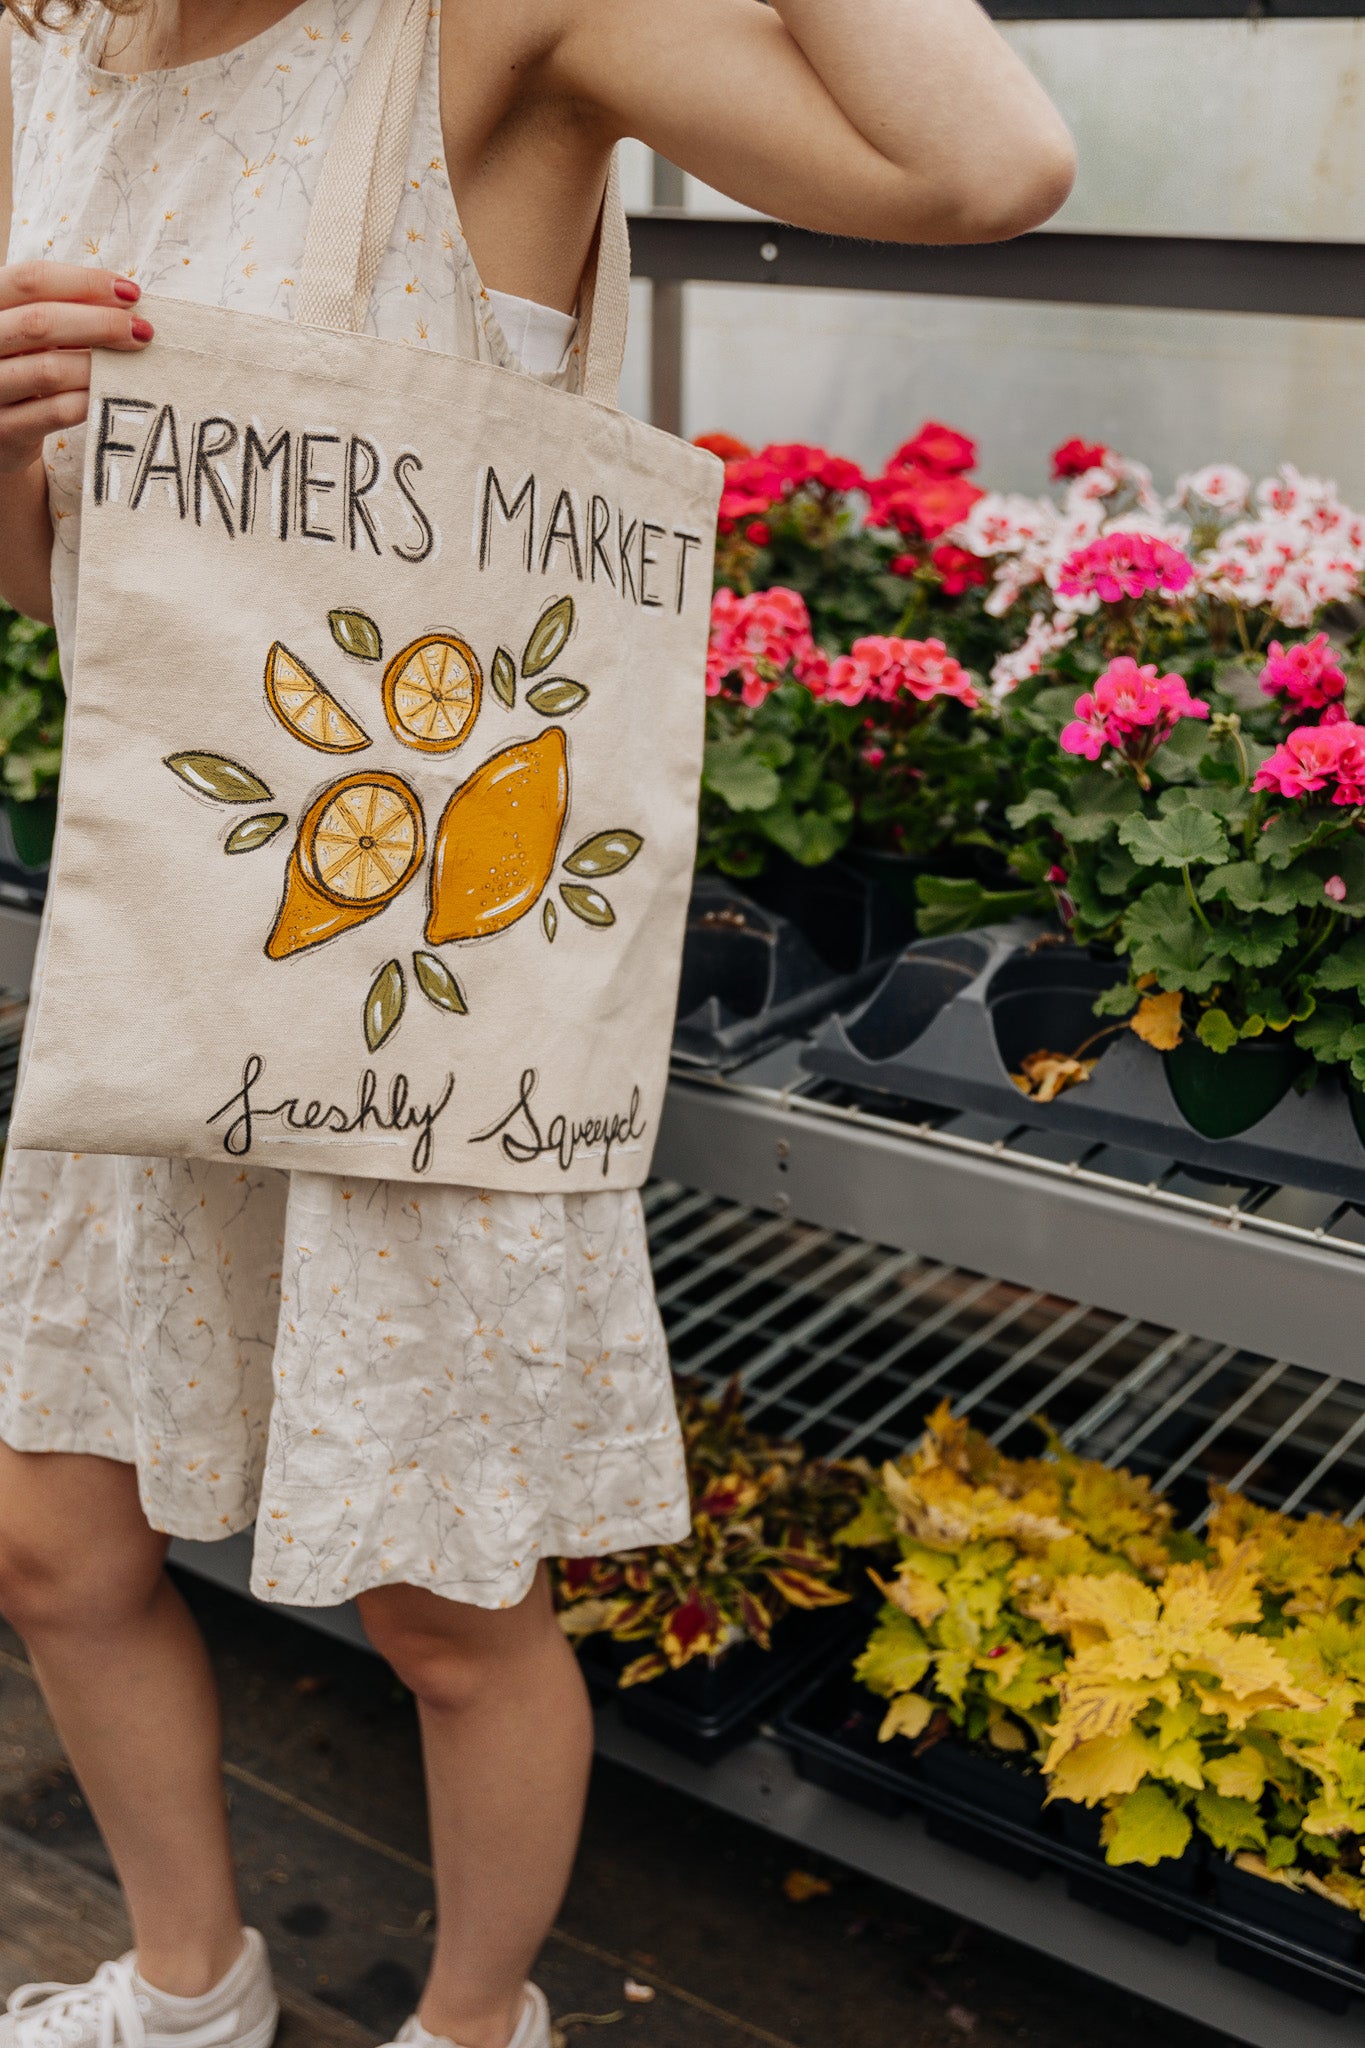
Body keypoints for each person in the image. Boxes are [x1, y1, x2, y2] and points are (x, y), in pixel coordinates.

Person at [0, 1, 1074, 2043]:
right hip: (182, 919)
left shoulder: (483, 16)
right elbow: (59, 585)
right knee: (49, 1536)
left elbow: (987, 168)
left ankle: (477, 2022)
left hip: (424, 964)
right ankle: (187, 1986)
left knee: (443, 1599)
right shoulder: (44, 50)